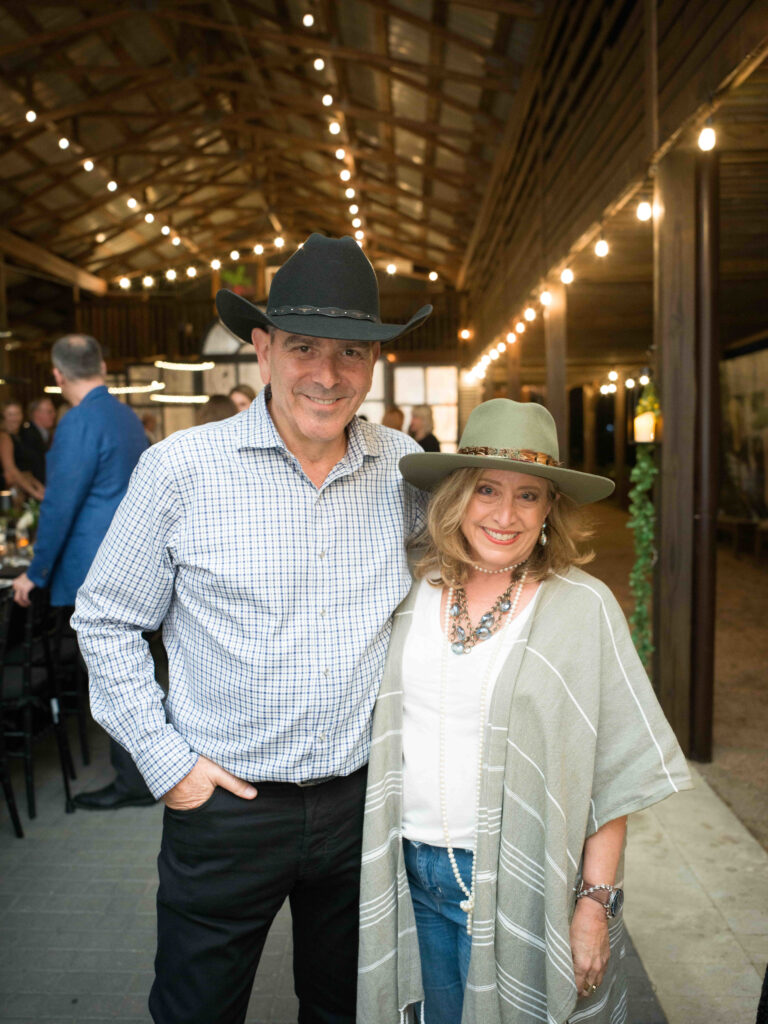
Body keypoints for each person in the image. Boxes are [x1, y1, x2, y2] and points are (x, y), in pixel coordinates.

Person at [72, 233, 433, 1024]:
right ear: (263, 351)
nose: (328, 374)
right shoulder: (180, 469)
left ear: (374, 365)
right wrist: (169, 766)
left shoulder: (402, 465)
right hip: (226, 808)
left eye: (351, 352)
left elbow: (456, 581)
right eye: (304, 347)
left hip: (359, 806)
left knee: (347, 1009)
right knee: (197, 1011)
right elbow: (105, 620)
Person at [357, 399, 692, 1024]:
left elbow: (611, 772)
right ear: (457, 496)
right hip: (410, 871)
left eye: (529, 496)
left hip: (523, 875)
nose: (505, 515)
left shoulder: (581, 609)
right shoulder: (410, 586)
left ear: (550, 509)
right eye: (487, 490)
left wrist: (595, 903)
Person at [12, 334, 153, 811]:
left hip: (98, 569)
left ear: (56, 376)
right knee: (132, 675)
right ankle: (145, 771)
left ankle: (134, 781)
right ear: (104, 364)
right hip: (134, 560)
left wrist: (36, 571)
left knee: (116, 680)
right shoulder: (125, 416)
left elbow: (59, 505)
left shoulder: (77, 424)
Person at [0, 401, 45, 500]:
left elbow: (25, 470)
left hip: (24, 487)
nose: (15, 418)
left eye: (17, 414)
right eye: (10, 414)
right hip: (12, 492)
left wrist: (38, 486)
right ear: (3, 417)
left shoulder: (21, 435)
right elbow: (11, 470)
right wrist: (34, 492)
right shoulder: (4, 437)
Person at [20, 397, 57, 483]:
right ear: (37, 414)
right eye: (49, 412)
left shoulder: (45, 433)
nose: (54, 415)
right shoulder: (28, 435)